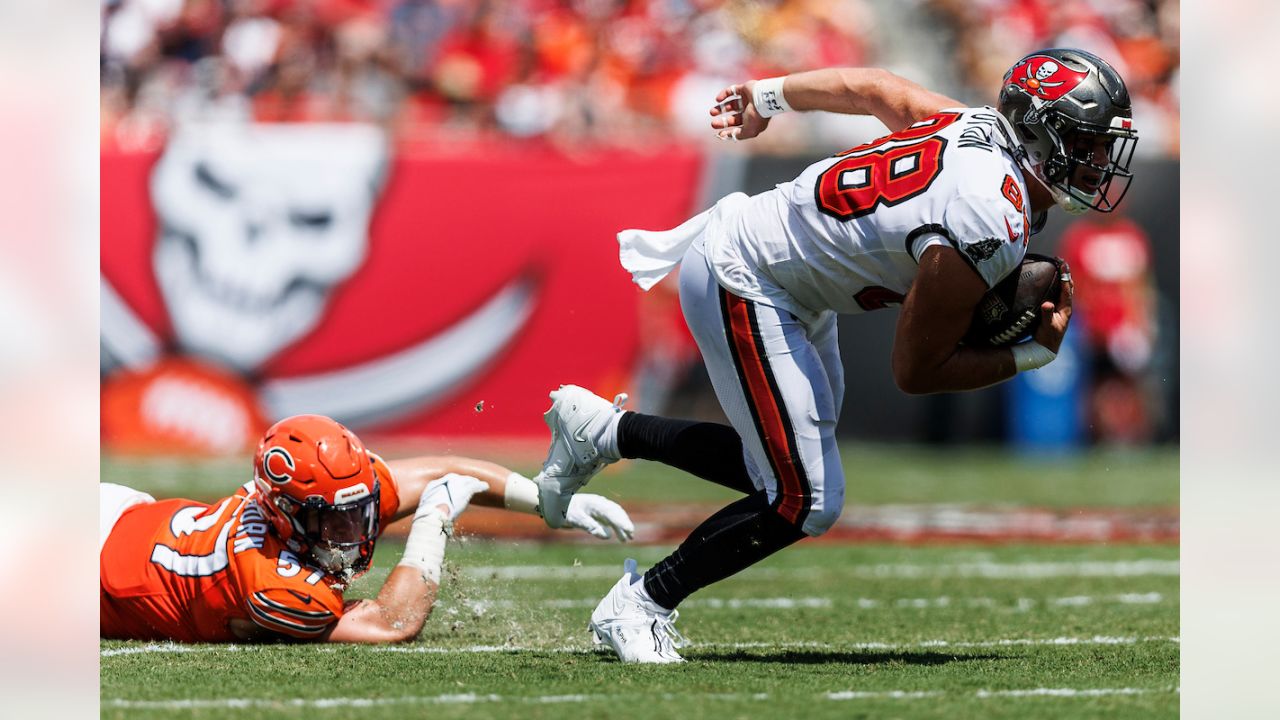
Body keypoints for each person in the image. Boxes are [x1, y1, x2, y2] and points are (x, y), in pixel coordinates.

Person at [533, 49, 1138, 662]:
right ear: (1037, 132)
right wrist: (1033, 356)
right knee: (806, 498)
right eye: (1088, 142)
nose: (1099, 162)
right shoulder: (989, 214)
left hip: (792, 283)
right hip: (747, 275)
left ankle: (606, 433)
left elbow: (874, 86)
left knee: (785, 466)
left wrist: (767, 97)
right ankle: (640, 605)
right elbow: (915, 370)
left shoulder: (970, 125)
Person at [100, 414, 633, 643]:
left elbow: (445, 472)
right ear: (283, 509)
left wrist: (543, 499)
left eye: (355, 507)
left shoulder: (322, 497)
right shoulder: (271, 582)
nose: (351, 526)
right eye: (331, 515)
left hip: (122, 515)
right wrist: (433, 522)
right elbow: (392, 623)